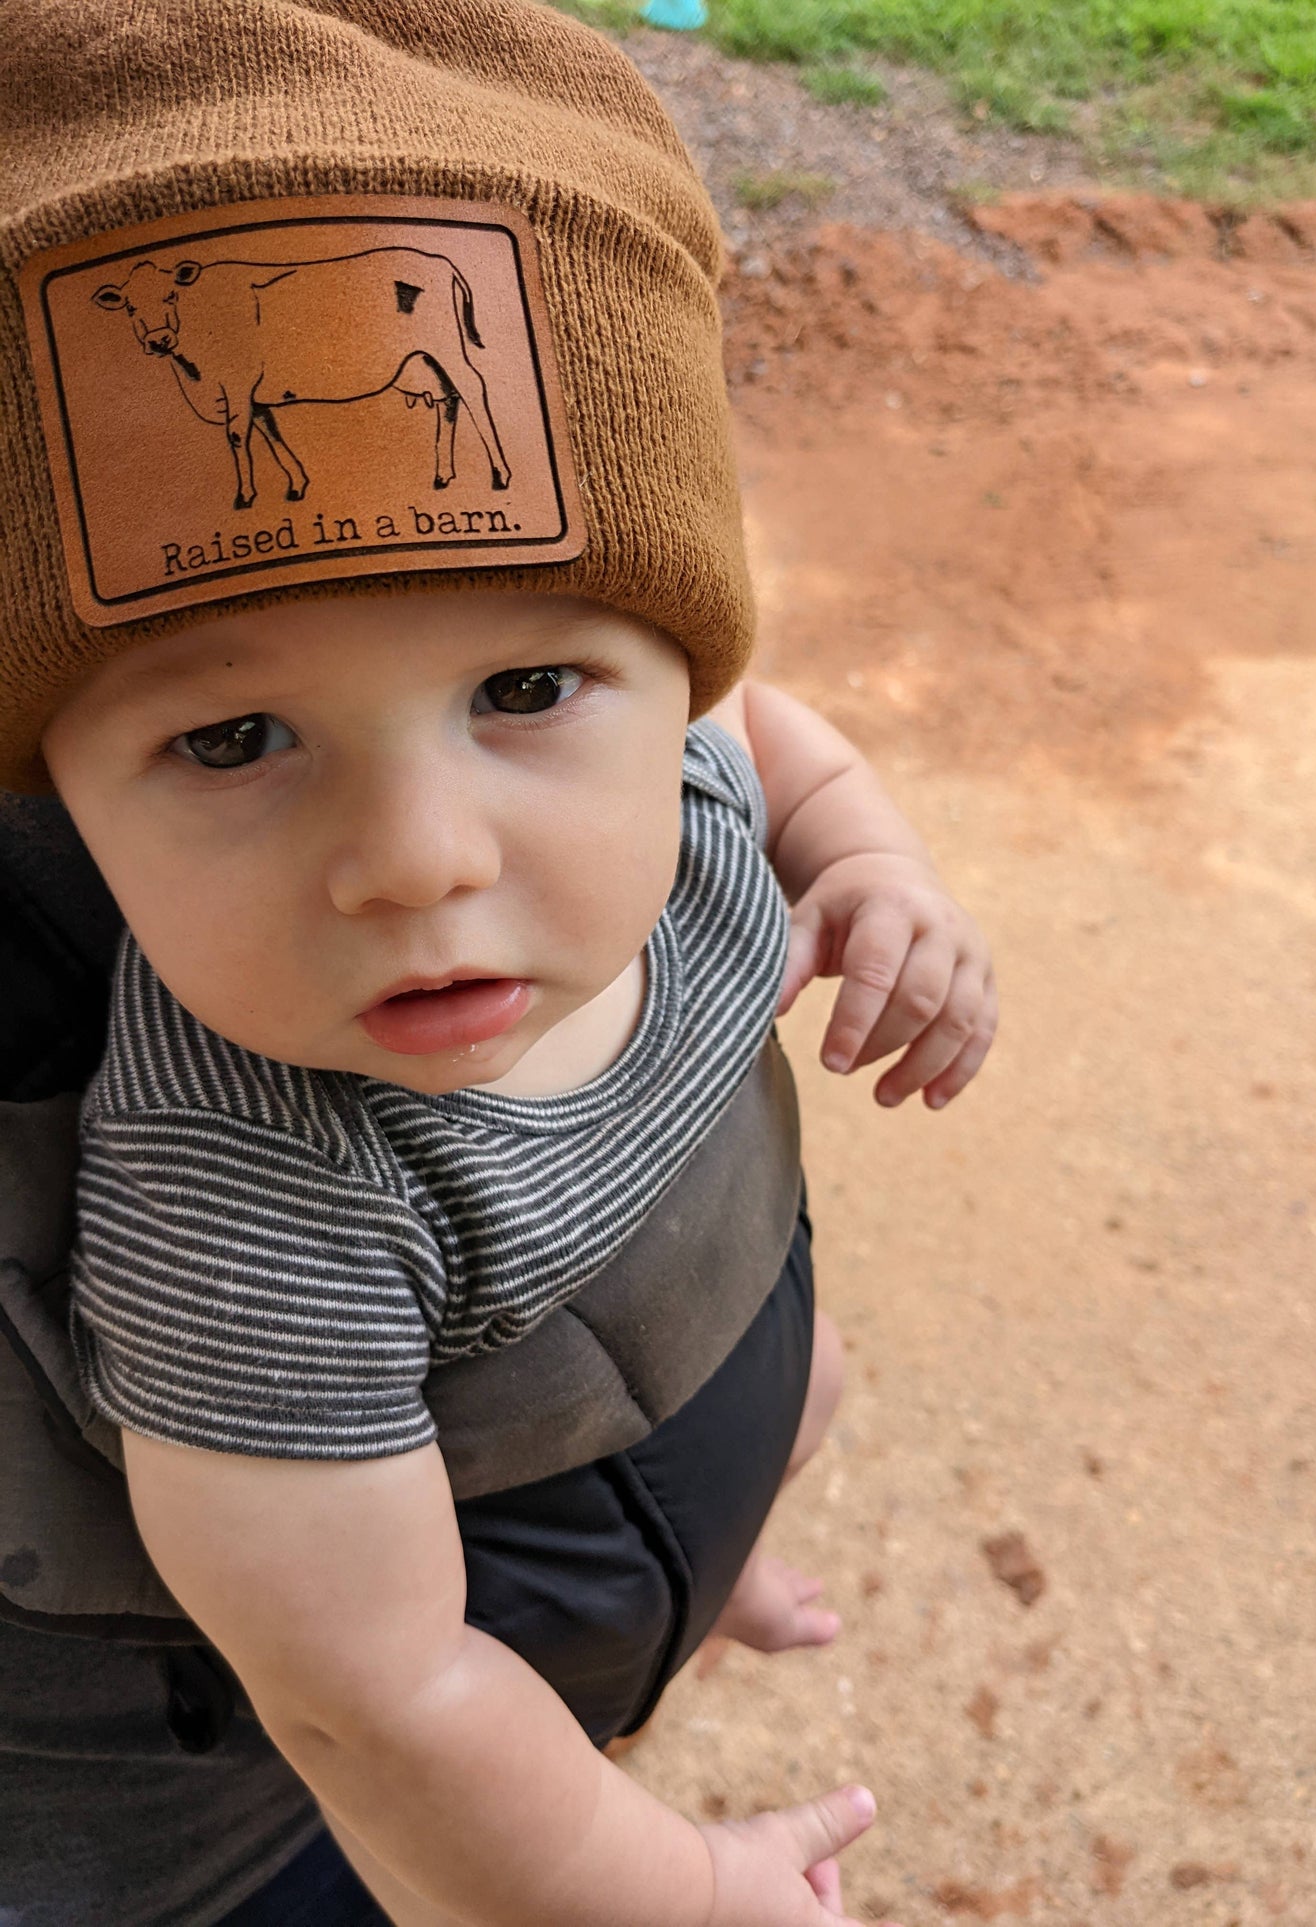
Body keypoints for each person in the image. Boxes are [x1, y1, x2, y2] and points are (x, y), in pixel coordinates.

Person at [1, 3, 996, 1920]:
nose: (417, 862)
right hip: (374, 1715)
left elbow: (765, 738)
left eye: (524, 687)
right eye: (229, 741)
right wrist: (670, 1893)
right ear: (53, 788)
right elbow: (376, 1697)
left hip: (688, 1354)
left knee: (798, 1388)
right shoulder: (249, 1215)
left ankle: (694, 1585)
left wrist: (867, 859)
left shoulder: (687, 748)